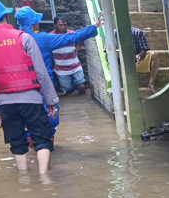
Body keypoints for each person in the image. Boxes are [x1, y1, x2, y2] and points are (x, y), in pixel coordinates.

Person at [0, 0, 59, 174]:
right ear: (6, 17)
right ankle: (45, 179)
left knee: (17, 143)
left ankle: (24, 178)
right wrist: (51, 100)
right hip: (31, 100)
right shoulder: (23, 37)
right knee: (42, 140)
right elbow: (41, 72)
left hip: (5, 103)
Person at [15, 7, 103, 141]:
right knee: (50, 117)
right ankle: (47, 146)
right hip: (43, 85)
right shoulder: (42, 39)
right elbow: (70, 37)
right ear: (34, 23)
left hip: (20, 87)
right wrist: (94, 27)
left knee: (27, 120)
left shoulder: (13, 40)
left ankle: (31, 145)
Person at [50, 17, 89, 96]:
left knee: (81, 86)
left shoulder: (72, 33)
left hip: (75, 66)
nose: (63, 27)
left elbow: (77, 43)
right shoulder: (51, 36)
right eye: (60, 25)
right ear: (55, 25)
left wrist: (76, 52)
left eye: (65, 25)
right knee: (68, 91)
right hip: (61, 68)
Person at [132, 27, 159, 94]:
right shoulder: (114, 34)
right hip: (124, 63)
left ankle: (151, 83)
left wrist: (139, 56)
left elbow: (144, 49)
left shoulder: (138, 33)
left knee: (154, 55)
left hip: (139, 61)